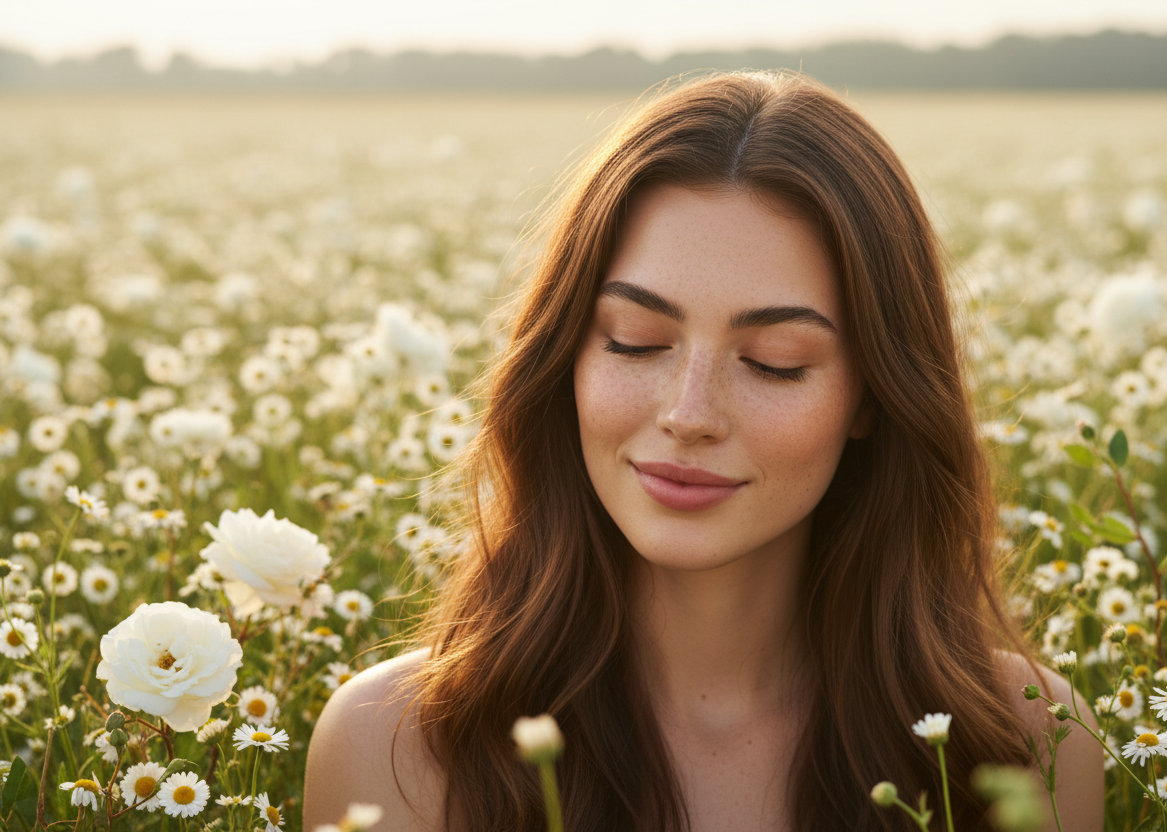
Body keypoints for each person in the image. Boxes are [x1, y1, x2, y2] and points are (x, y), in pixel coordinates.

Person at [304, 70, 1104, 832]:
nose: (689, 415)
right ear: (565, 358)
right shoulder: (393, 746)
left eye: (774, 362)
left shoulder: (1032, 742)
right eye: (634, 340)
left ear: (872, 396)